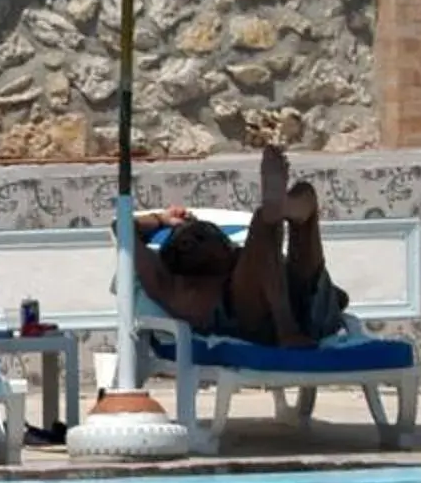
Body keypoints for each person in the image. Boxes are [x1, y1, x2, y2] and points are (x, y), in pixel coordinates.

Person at [136, 144, 349, 351]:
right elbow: (124, 228)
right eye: (183, 243)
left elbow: (341, 297)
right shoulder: (173, 285)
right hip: (259, 327)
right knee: (263, 221)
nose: (192, 242)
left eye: (201, 233)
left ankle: (282, 206)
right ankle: (287, 329)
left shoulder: (245, 258)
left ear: (226, 243)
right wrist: (160, 218)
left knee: (303, 193)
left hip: (310, 306)